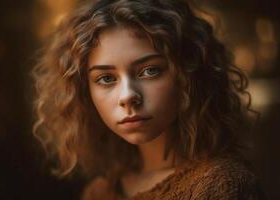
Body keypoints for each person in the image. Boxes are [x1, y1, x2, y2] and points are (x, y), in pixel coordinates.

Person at [33, 0, 265, 199]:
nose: (127, 96)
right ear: (85, 92)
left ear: (188, 74)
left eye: (149, 71)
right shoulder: (99, 192)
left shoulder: (220, 185)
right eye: (105, 78)